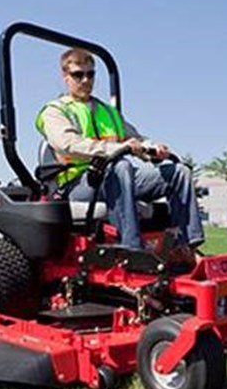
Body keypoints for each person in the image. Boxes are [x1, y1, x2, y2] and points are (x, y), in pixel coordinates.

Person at [35, 48, 204, 264]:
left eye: (90, 74)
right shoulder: (56, 111)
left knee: (179, 172)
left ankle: (185, 247)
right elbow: (67, 143)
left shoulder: (108, 112)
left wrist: (152, 149)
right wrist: (114, 150)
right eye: (78, 74)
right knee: (120, 166)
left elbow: (134, 138)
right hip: (77, 184)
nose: (86, 80)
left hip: (114, 178)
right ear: (65, 77)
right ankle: (131, 249)